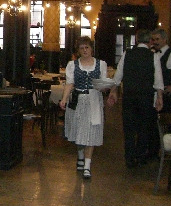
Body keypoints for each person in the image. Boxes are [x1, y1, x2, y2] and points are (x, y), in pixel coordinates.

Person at [107, 29, 164, 168]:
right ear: (150, 41)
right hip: (146, 97)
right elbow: (158, 80)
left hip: (129, 96)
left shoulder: (127, 54)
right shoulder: (153, 56)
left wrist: (113, 91)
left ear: (137, 40)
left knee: (129, 128)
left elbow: (118, 76)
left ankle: (129, 157)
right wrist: (159, 97)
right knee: (144, 127)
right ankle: (140, 156)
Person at [58, 36, 107, 179]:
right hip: (78, 100)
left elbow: (103, 85)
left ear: (91, 49)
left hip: (94, 100)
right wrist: (64, 99)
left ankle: (87, 165)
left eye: (87, 47)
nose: (85, 50)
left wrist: (105, 87)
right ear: (78, 51)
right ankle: (80, 155)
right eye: (82, 48)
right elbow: (70, 84)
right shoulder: (72, 65)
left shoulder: (101, 64)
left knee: (91, 132)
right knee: (79, 131)